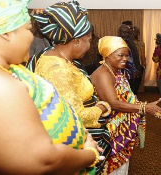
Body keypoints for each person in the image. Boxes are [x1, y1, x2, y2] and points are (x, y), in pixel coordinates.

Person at [0, 0, 102, 174]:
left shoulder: (8, 70)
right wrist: (90, 154)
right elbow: (42, 161)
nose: (32, 37)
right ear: (6, 33)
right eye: (29, 29)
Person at [31, 1, 111, 174]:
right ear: (76, 41)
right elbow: (75, 117)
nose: (90, 45)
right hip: (75, 147)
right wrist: (103, 107)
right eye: (88, 41)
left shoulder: (58, 58)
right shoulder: (57, 69)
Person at [90, 36, 161, 174]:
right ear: (107, 54)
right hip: (109, 132)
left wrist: (144, 106)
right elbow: (113, 103)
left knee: (121, 168)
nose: (125, 58)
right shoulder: (103, 74)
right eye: (121, 55)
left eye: (126, 55)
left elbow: (126, 97)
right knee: (111, 168)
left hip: (121, 130)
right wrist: (144, 107)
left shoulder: (116, 71)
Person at [118, 24, 143, 95]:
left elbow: (135, 56)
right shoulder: (116, 42)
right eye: (124, 32)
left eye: (128, 33)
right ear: (119, 32)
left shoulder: (130, 41)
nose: (126, 34)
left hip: (131, 72)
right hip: (120, 72)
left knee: (130, 92)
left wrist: (136, 69)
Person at [132, 26, 146, 92]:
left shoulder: (141, 43)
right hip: (130, 66)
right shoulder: (128, 42)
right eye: (133, 32)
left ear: (138, 33)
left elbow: (143, 55)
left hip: (140, 66)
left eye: (136, 32)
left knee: (137, 83)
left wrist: (143, 65)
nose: (134, 33)